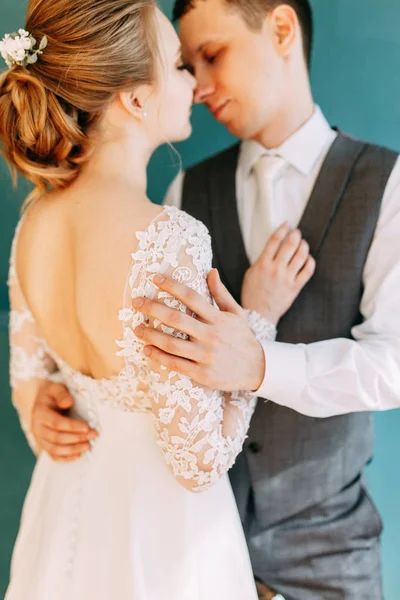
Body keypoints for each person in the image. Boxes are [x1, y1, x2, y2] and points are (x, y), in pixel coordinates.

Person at [1, 1, 313, 599]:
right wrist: (259, 321)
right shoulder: (167, 237)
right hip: (162, 539)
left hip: (65, 513)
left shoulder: (31, 226)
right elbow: (199, 461)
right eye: (177, 65)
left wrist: (39, 405)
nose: (194, 84)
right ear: (136, 99)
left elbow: (29, 384)